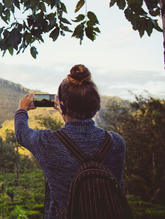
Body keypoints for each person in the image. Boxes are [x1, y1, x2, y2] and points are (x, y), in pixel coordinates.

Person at [14, 64, 126, 219]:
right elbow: (92, 134)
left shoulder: (47, 142)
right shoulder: (117, 142)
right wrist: (68, 112)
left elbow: (21, 133)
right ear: (95, 105)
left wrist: (22, 110)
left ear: (62, 103)